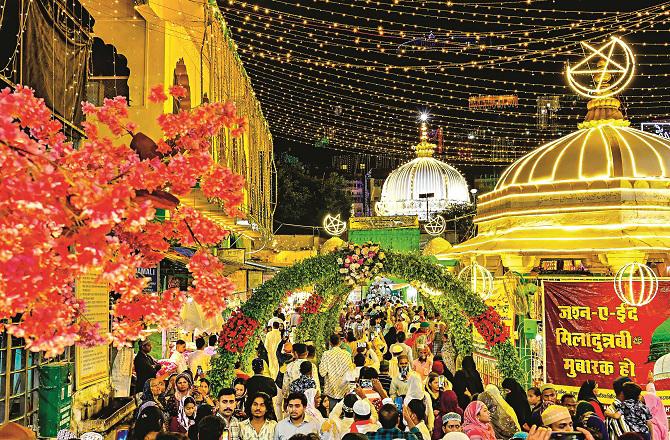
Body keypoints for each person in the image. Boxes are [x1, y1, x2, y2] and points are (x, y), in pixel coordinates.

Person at [321, 334, 355, 411]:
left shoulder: (326, 354)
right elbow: (351, 373)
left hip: (331, 390)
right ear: (340, 342)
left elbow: (322, 372)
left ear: (330, 343)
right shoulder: (347, 355)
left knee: (332, 414)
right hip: (344, 390)